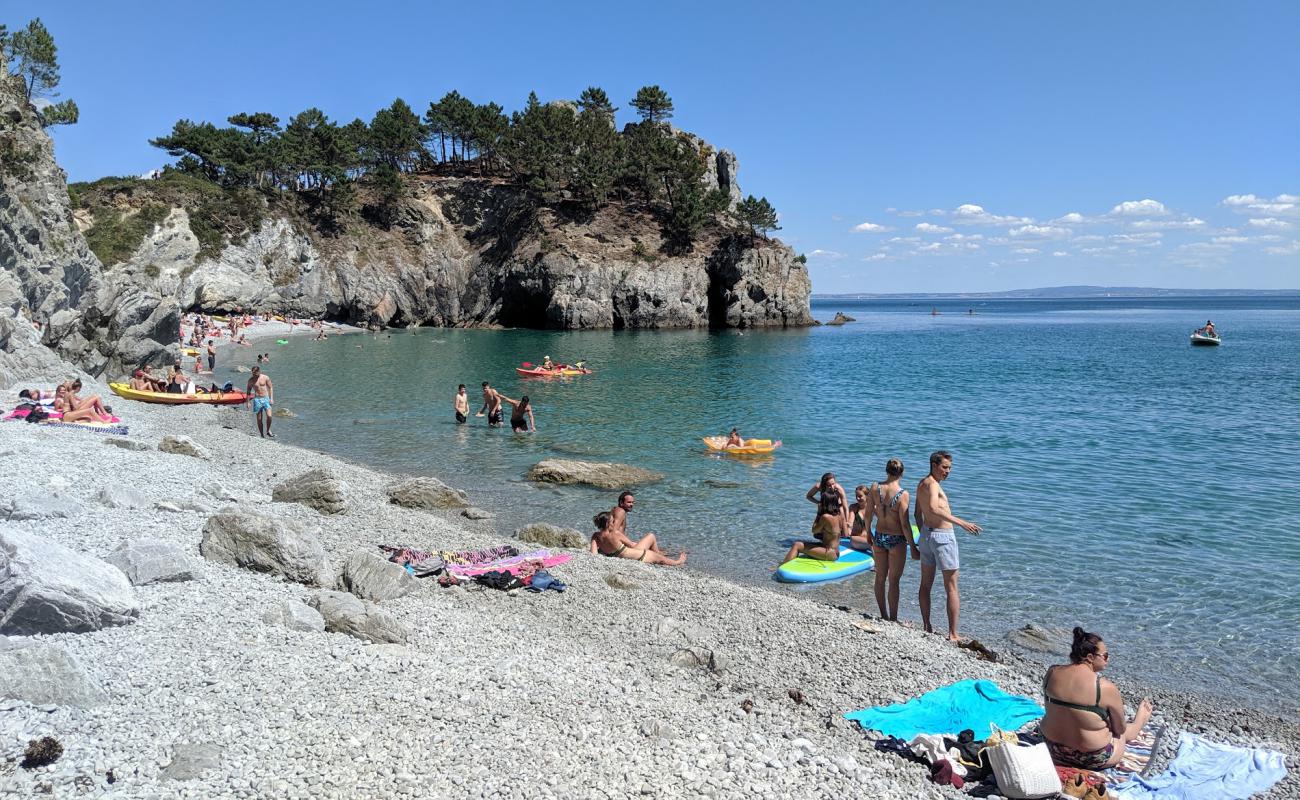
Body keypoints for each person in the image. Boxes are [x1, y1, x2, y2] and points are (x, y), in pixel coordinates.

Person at [1041, 627, 1153, 770]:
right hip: (1091, 758)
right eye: (1105, 655)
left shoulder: (1052, 672)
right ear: (1090, 657)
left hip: (1051, 748)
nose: (1108, 659)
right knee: (1121, 734)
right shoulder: (1104, 687)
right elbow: (1119, 729)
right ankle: (1139, 722)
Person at [915, 450, 981, 640]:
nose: (948, 471)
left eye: (950, 468)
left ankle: (927, 625)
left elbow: (917, 514)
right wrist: (962, 523)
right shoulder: (933, 485)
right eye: (944, 467)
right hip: (943, 537)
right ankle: (953, 634)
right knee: (951, 587)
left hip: (927, 536)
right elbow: (934, 508)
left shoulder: (921, 484)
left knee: (926, 585)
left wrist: (923, 535)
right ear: (934, 465)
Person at [866, 460, 915, 621]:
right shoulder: (903, 494)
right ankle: (893, 618)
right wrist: (913, 546)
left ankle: (883, 614)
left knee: (880, 577)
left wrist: (868, 532)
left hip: (879, 535)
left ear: (886, 471)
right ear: (902, 473)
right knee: (894, 581)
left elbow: (867, 514)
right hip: (897, 539)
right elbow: (905, 525)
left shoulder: (875, 487)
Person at [589, 511, 686, 565]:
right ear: (608, 523)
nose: (614, 522)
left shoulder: (596, 536)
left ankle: (661, 552)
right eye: (612, 521)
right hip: (639, 556)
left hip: (625, 555)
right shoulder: (615, 533)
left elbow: (594, 554)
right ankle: (678, 561)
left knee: (660, 556)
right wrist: (643, 545)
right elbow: (631, 544)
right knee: (660, 558)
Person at [782, 491, 844, 564]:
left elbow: (814, 530)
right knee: (805, 544)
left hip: (829, 553)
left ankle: (781, 567)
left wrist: (819, 513)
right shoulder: (840, 515)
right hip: (835, 551)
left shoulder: (826, 517)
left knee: (797, 545)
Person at [246, 365, 275, 438]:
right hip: (257, 400)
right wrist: (248, 402)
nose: (254, 375)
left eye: (255, 373)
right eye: (253, 373)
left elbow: (270, 387)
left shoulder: (265, 377)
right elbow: (248, 392)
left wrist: (271, 398)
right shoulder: (251, 380)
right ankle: (262, 435)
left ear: (259, 371)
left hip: (266, 398)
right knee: (259, 419)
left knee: (269, 416)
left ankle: (268, 430)